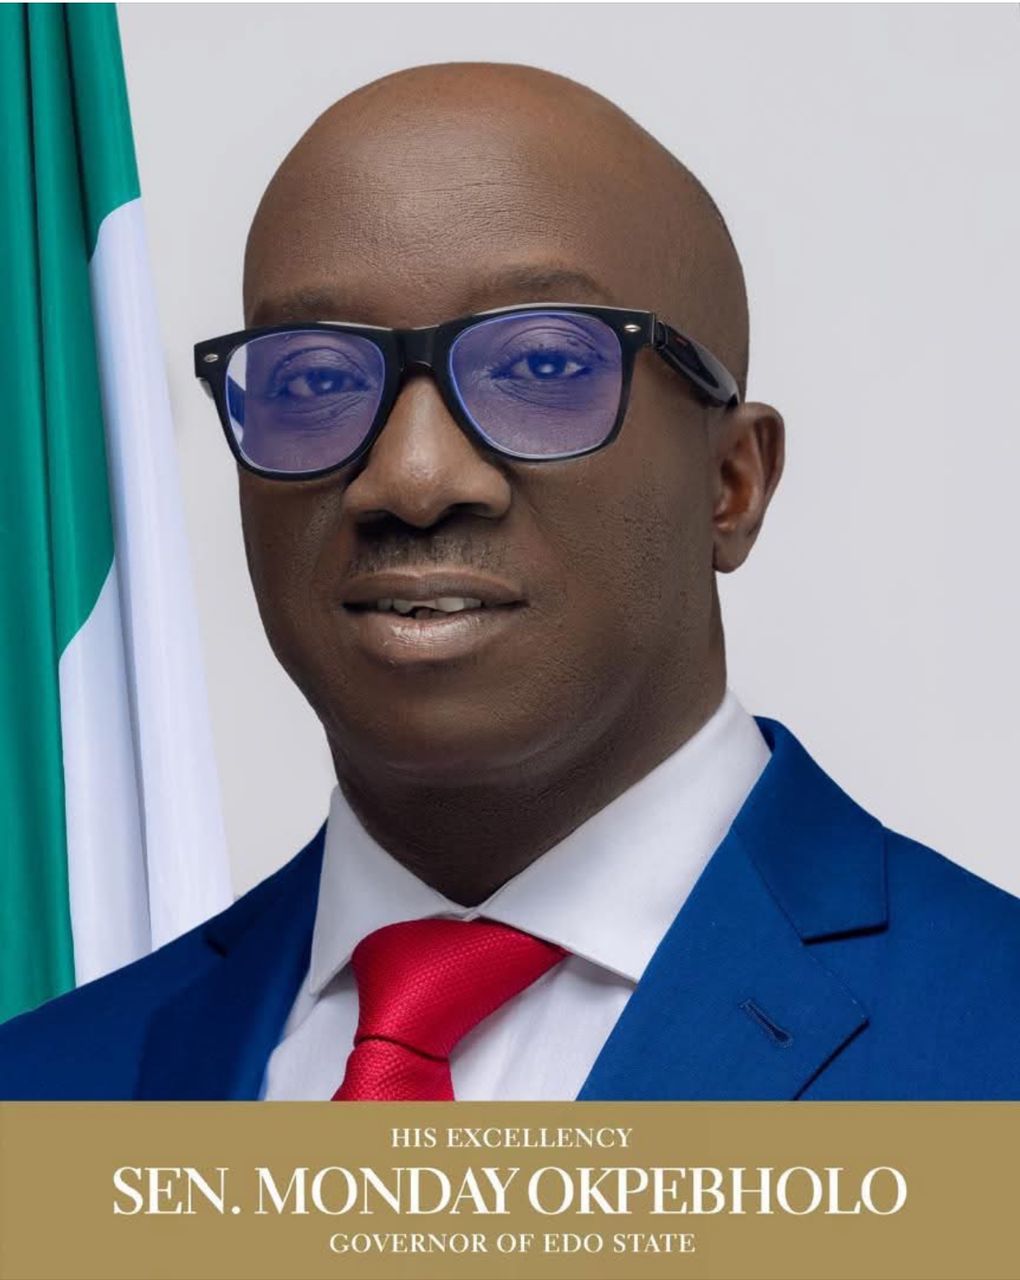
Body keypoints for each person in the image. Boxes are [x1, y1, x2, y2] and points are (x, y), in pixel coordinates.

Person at [2, 62, 1018, 1102]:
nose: (410, 478)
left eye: (542, 366)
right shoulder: (41, 1093)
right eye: (315, 378)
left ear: (732, 482)